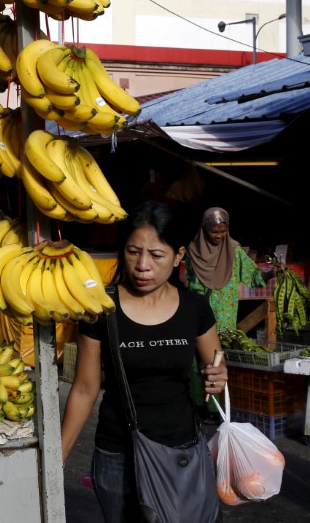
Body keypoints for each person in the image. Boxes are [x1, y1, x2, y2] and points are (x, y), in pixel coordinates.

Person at [60, 201, 227, 523]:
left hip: (180, 448)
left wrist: (218, 378)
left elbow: (217, 368)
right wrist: (60, 454)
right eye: (134, 252)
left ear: (179, 256)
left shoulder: (195, 307)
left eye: (157, 255)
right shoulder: (101, 307)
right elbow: (84, 388)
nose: (143, 265)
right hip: (118, 452)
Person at [183, 207, 266, 423]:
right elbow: (189, 279)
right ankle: (198, 405)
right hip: (198, 311)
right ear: (205, 229)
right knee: (196, 361)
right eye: (214, 231)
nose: (219, 236)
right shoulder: (193, 251)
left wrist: (272, 272)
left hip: (224, 315)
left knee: (218, 360)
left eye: (223, 231)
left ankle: (216, 408)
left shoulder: (235, 251)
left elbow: (252, 275)